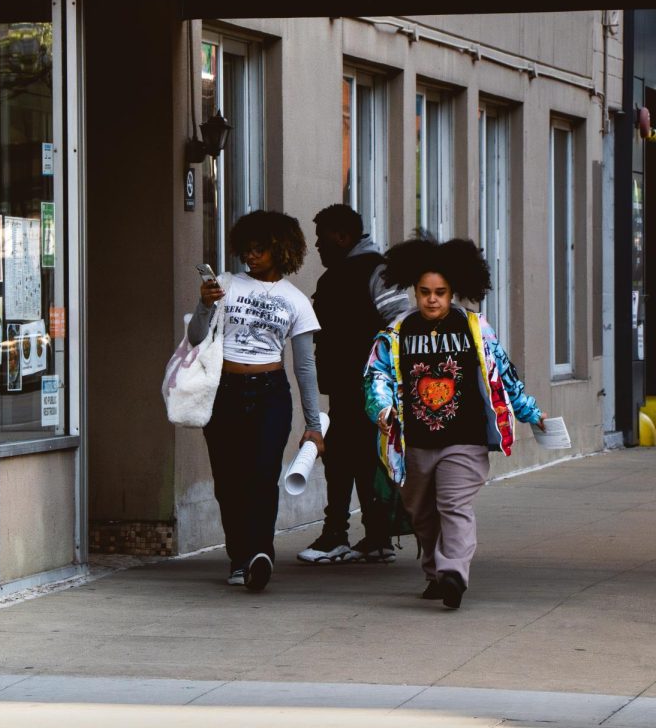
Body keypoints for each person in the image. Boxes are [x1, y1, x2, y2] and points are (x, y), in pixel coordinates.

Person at [363, 234, 545, 609]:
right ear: (414, 290)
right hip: (413, 442)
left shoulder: (475, 329)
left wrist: (531, 413)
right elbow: (376, 376)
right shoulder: (396, 334)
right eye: (425, 291)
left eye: (441, 292)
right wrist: (381, 410)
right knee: (422, 514)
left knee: (453, 504)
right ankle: (435, 573)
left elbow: (504, 376)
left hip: (464, 439)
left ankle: (454, 574)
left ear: (454, 292)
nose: (432, 299)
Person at [189, 210, 324, 592]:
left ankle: (260, 554)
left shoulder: (296, 301)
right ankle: (239, 557)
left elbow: (305, 368)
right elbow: (197, 337)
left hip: (270, 394)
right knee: (229, 482)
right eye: (247, 249)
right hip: (225, 392)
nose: (252, 256)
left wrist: (313, 425)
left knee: (263, 476)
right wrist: (204, 303)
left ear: (280, 250)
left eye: (260, 249)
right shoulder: (226, 284)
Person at [299, 205, 409, 565]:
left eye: (323, 238)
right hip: (349, 387)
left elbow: (400, 322)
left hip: (364, 387)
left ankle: (337, 535)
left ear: (343, 237)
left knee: (343, 459)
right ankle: (376, 537)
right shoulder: (346, 273)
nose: (318, 245)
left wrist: (384, 378)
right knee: (360, 459)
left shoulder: (375, 270)